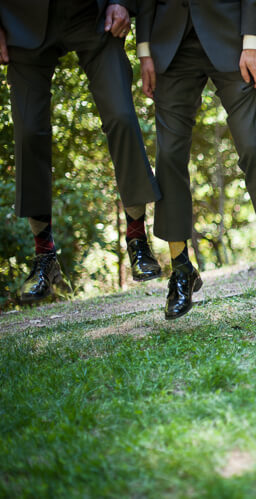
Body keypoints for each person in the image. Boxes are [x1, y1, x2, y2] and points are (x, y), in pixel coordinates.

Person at [136, 0, 256, 319]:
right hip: (170, 43)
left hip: (232, 36)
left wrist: (253, 39)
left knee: (252, 143)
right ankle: (181, 269)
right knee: (168, 156)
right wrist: (144, 49)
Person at [0, 0, 163, 305]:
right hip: (21, 19)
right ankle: (44, 257)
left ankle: (137, 237)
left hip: (93, 14)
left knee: (121, 116)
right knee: (28, 132)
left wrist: (123, 2)